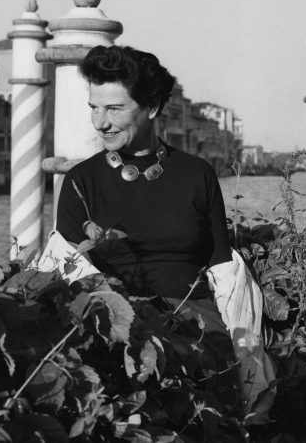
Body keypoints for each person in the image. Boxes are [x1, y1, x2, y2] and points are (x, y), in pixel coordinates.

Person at [55, 45, 242, 412]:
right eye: (94, 107)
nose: (99, 122)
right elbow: (69, 275)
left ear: (153, 107)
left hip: (199, 326)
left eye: (114, 108)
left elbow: (222, 265)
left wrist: (244, 346)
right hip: (120, 328)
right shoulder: (81, 181)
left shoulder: (197, 174)